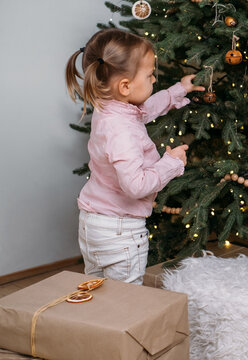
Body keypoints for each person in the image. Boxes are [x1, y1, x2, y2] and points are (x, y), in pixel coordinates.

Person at [65, 28, 204, 284]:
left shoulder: (110, 108)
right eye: (150, 75)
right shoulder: (122, 131)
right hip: (120, 232)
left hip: (93, 225)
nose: (153, 80)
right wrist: (171, 164)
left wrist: (178, 91)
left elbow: (144, 109)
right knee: (125, 300)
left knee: (97, 290)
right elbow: (135, 186)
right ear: (125, 85)